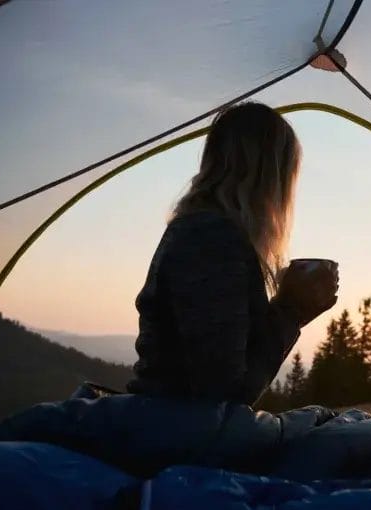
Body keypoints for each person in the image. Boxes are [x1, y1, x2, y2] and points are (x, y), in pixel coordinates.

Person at [126, 102, 338, 406]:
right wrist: (292, 309)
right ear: (272, 176)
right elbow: (223, 395)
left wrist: (290, 308)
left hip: (170, 422)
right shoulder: (210, 240)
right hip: (176, 428)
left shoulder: (204, 231)